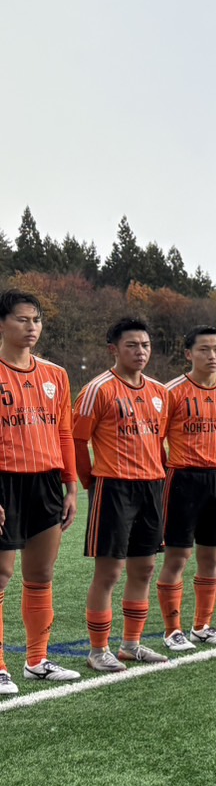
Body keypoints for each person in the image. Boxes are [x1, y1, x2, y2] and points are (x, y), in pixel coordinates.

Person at [73, 317, 169, 670]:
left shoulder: (160, 392)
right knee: (110, 572)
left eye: (145, 345)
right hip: (114, 487)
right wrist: (90, 481)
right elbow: (77, 440)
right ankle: (98, 650)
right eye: (132, 345)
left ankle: (131, 644)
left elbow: (159, 441)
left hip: (152, 487)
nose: (140, 351)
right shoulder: (98, 389)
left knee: (144, 569)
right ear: (113, 349)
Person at [0, 290, 82, 691]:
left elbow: (64, 432)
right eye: (22, 319)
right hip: (4, 481)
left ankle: (37, 660)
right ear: (2, 324)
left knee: (41, 574)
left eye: (36, 320)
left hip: (46, 482)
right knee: (1, 574)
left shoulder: (56, 375)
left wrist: (71, 486)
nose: (31, 327)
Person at [156, 325, 216, 653]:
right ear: (188, 354)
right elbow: (155, 439)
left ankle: (202, 626)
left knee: (212, 555)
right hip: (182, 479)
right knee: (178, 555)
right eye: (204, 349)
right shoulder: (171, 392)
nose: (212, 356)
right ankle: (172, 630)